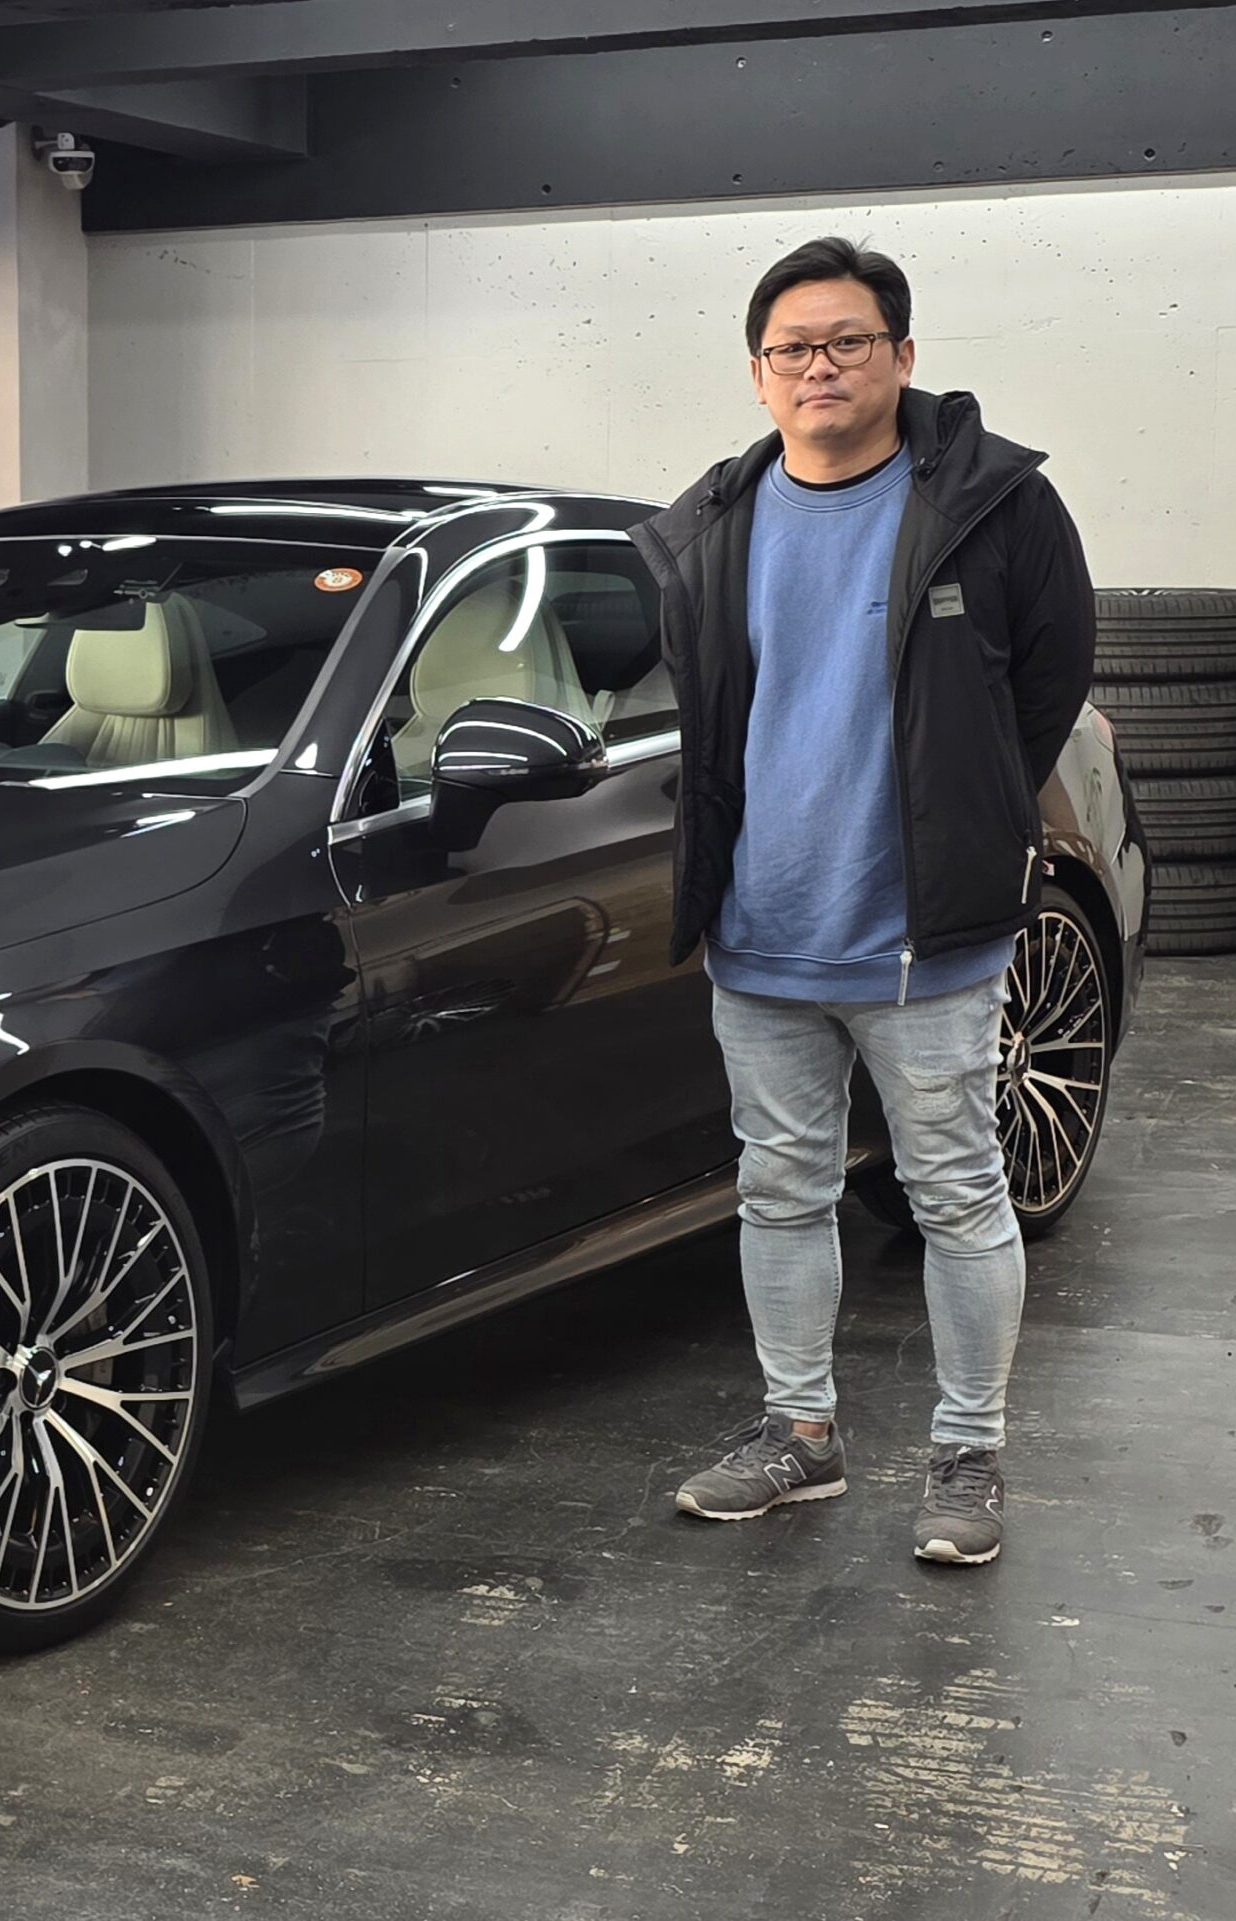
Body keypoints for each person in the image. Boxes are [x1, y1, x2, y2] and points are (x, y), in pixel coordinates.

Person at [628, 237, 1096, 1566]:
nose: (818, 365)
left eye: (846, 340)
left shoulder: (994, 506)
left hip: (922, 940)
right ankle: (801, 1435)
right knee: (779, 1190)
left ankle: (969, 1451)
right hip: (761, 934)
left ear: (902, 355)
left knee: (955, 1191)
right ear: (759, 375)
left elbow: (1050, 677)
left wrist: (969, 813)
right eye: (792, 348)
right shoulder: (715, 525)